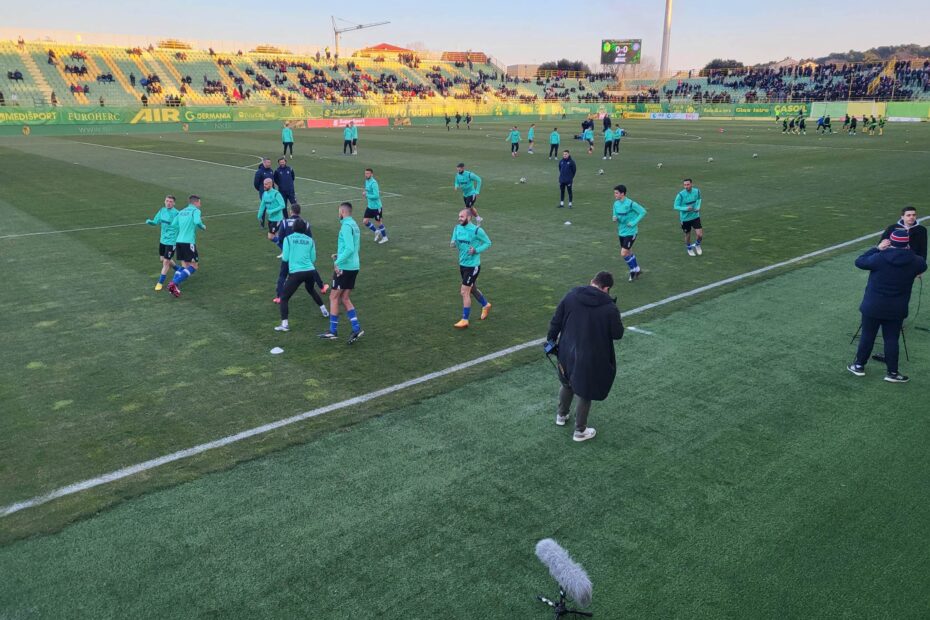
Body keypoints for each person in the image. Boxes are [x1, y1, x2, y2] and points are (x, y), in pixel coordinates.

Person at [545, 270, 624, 442]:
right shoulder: (609, 307)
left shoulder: (572, 295)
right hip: (591, 355)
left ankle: (561, 415)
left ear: (592, 281)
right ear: (606, 288)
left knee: (567, 382)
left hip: (567, 349)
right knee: (585, 390)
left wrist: (550, 340)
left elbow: (556, 320)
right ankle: (580, 431)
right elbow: (618, 334)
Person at [848, 229, 927, 382]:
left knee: (867, 336)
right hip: (897, 308)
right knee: (891, 339)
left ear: (891, 242)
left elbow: (860, 261)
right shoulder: (916, 261)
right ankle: (892, 373)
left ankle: (859, 366)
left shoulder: (879, 257)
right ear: (907, 244)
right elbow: (922, 266)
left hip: (873, 305)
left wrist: (877, 248)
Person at [319, 202, 364, 344]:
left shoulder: (345, 226)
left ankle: (333, 331)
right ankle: (356, 328)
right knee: (344, 297)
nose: (338, 214)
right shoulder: (355, 225)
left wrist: (338, 262)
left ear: (343, 212)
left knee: (333, 297)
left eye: (339, 211)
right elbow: (354, 248)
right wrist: (340, 255)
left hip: (345, 267)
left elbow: (350, 248)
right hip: (354, 266)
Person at [275, 219, 328, 332]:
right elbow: (313, 258)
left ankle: (284, 324)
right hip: (310, 271)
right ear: (304, 228)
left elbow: (285, 258)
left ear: (293, 227)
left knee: (284, 298)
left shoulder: (288, 239)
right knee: (311, 289)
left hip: (296, 273)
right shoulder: (310, 240)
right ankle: (324, 310)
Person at [273, 204, 329, 311]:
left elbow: (280, 238)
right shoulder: (305, 223)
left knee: (283, 275)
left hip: (289, 254)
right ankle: (322, 287)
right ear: (299, 212)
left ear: (291, 211)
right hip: (303, 255)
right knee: (311, 269)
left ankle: (279, 296)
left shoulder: (284, 222)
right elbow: (309, 238)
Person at [451, 209, 492, 329]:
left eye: (462, 216)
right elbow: (454, 241)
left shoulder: (477, 230)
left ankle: (465, 319)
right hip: (462, 264)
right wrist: (453, 243)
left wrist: (476, 250)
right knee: (472, 289)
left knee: (464, 292)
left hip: (473, 266)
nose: (459, 218)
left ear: (469, 218)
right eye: (459, 216)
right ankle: (485, 304)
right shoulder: (457, 228)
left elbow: (488, 243)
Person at [167, 195, 206, 298]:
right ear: (196, 202)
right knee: (194, 266)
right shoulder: (196, 211)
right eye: (199, 202)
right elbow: (197, 222)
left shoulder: (181, 212)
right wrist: (202, 226)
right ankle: (174, 283)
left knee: (185, 266)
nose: (200, 204)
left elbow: (174, 224)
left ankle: (173, 286)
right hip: (188, 242)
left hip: (179, 241)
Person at [612, 184, 647, 281]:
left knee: (623, 253)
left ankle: (632, 270)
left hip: (631, 232)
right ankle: (637, 269)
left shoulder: (631, 204)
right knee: (629, 251)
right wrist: (614, 217)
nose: (615, 195)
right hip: (621, 232)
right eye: (615, 193)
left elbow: (643, 212)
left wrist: (634, 222)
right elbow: (614, 213)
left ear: (622, 194)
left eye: (616, 193)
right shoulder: (616, 204)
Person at [145, 194, 179, 291]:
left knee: (166, 262)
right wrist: (150, 222)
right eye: (167, 201)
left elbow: (182, 225)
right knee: (162, 259)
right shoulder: (162, 210)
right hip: (162, 240)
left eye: (171, 202)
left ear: (174, 203)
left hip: (172, 241)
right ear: (164, 201)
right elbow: (155, 221)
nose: (168, 203)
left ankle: (160, 282)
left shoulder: (177, 213)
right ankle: (178, 269)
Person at [674, 178, 703, 256]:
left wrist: (698, 207)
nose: (686, 186)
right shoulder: (680, 195)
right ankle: (689, 248)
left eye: (688, 184)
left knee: (700, 235)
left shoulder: (697, 191)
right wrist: (685, 208)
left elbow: (699, 199)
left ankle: (697, 244)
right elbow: (675, 206)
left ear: (691, 184)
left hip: (695, 216)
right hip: (685, 219)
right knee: (688, 235)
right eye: (685, 185)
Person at [362, 167, 388, 244]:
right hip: (370, 206)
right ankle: (376, 231)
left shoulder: (374, 183)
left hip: (376, 207)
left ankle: (385, 237)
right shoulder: (367, 181)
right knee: (365, 221)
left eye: (368, 173)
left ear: (371, 174)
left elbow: (376, 196)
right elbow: (367, 190)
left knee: (379, 223)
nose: (366, 175)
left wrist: (367, 195)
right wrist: (365, 192)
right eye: (365, 173)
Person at [257, 177, 286, 241]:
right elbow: (262, 205)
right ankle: (283, 245)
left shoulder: (276, 194)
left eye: (266, 184)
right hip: (270, 219)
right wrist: (259, 215)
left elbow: (283, 205)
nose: (264, 186)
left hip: (277, 219)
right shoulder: (264, 194)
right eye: (264, 184)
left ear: (270, 184)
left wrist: (271, 211)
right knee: (275, 236)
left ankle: (284, 244)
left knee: (270, 236)